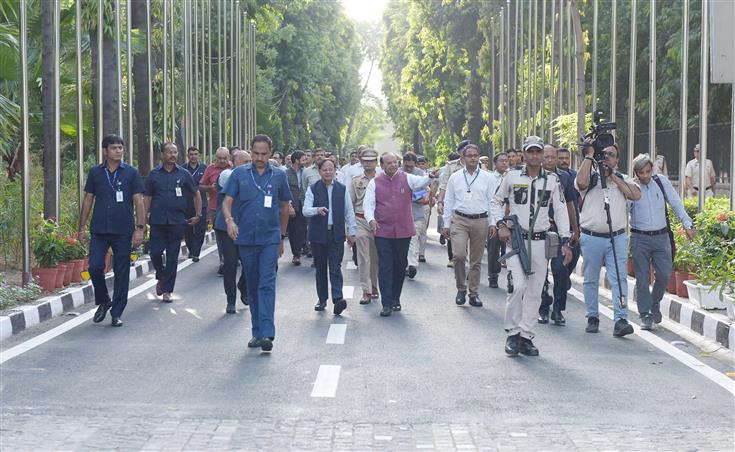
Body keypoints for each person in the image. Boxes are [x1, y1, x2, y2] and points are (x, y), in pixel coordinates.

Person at [491, 136, 573, 357]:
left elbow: (561, 210)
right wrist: (500, 225)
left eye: (539, 152)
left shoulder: (553, 180)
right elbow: (496, 201)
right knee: (518, 287)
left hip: (540, 240)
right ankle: (512, 333)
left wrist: (565, 240)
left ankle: (526, 336)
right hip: (517, 241)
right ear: (524, 154)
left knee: (536, 290)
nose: (535, 156)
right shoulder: (512, 176)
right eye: (531, 152)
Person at [222, 135, 292, 352]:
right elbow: (227, 202)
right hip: (246, 238)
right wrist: (230, 221)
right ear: (251, 152)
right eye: (256, 153)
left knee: (267, 283)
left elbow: (284, 207)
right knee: (252, 285)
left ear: (270, 153)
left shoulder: (279, 175)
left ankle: (267, 332)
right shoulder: (239, 174)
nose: (260, 158)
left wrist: (281, 236)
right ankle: (256, 332)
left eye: (264, 154)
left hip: (270, 238)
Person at [78, 134, 146, 327]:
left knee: (122, 271)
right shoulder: (96, 173)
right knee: (94, 266)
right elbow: (88, 199)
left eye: (121, 148)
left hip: (123, 229)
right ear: (105, 151)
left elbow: (139, 202)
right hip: (99, 229)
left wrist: (140, 229)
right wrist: (81, 227)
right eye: (114, 148)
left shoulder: (131, 173)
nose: (118, 151)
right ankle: (103, 300)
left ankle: (116, 312)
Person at [576, 143, 641, 337]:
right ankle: (592, 316)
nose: (606, 158)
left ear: (617, 160)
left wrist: (612, 177)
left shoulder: (622, 179)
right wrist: (589, 157)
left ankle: (621, 319)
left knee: (619, 278)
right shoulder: (591, 177)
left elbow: (636, 194)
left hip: (617, 237)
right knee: (590, 279)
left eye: (610, 155)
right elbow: (579, 183)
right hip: (591, 236)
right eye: (602, 155)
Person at [363, 152, 438, 317]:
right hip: (382, 231)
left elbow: (421, 182)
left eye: (395, 162)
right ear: (382, 166)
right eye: (389, 163)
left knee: (399, 265)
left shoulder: (407, 178)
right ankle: (387, 303)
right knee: (385, 266)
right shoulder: (374, 183)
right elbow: (368, 205)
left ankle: (396, 298)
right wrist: (371, 220)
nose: (393, 165)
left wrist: (430, 176)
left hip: (404, 230)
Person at [630, 153, 695, 329]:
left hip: (661, 237)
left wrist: (688, 224)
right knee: (642, 279)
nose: (645, 176)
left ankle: (654, 302)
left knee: (665, 274)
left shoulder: (661, 182)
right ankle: (645, 315)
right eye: (641, 172)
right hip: (639, 237)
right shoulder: (631, 187)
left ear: (652, 170)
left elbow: (676, 203)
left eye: (648, 171)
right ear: (635, 172)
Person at [145, 143, 201, 303]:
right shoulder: (154, 174)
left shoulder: (184, 174)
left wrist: (198, 214)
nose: (173, 155)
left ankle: (168, 290)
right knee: (155, 253)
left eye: (175, 152)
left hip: (177, 221)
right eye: (169, 152)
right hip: (157, 221)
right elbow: (147, 198)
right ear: (162, 154)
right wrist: (141, 222)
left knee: (172, 257)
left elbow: (196, 194)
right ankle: (161, 277)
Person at [442, 144, 495, 307]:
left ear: (479, 157)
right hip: (460, 220)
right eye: (469, 155)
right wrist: (446, 223)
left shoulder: (488, 177)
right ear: (463, 158)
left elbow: (492, 201)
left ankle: (473, 293)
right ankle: (460, 288)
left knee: (476, 260)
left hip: (480, 220)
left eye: (475, 155)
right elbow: (449, 200)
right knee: (458, 255)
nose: (473, 158)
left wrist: (493, 223)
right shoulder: (455, 177)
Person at [303, 159, 357, 314]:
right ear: (319, 171)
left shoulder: (341, 189)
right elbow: (306, 210)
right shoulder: (313, 189)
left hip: (336, 233)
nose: (328, 172)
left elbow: (349, 212)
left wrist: (352, 232)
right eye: (324, 169)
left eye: (330, 169)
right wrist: (317, 210)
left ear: (335, 171)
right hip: (318, 234)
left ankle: (338, 299)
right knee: (320, 268)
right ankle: (322, 299)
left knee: (335, 267)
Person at [537, 145, 581, 326]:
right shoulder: (534, 177)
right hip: (539, 231)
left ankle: (558, 309)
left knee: (560, 269)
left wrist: (575, 229)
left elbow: (570, 204)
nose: (549, 160)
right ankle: (542, 307)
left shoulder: (564, 178)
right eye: (545, 157)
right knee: (539, 271)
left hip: (560, 231)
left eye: (552, 157)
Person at [214, 150, 251, 313]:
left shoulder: (254, 177)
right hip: (226, 226)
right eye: (245, 162)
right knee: (230, 263)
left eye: (250, 161)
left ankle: (243, 285)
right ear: (234, 163)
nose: (249, 164)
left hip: (246, 227)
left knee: (249, 262)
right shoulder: (227, 175)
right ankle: (231, 300)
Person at [349, 149, 380, 304]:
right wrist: (349, 227)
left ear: (376, 162)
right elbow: (350, 204)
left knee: (375, 258)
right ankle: (366, 290)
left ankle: (375, 286)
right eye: (366, 160)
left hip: (378, 222)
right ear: (361, 162)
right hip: (360, 220)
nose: (369, 163)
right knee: (363, 257)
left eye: (372, 160)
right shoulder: (356, 181)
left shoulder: (382, 179)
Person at [200, 147, 232, 274]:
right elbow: (200, 186)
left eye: (225, 158)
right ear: (216, 158)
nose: (222, 161)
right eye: (220, 158)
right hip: (215, 208)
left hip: (233, 208)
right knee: (221, 237)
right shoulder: (210, 169)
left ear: (229, 157)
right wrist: (209, 187)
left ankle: (235, 257)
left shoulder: (234, 169)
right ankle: (223, 262)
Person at [437, 143, 468, 266]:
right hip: (454, 205)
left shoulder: (479, 165)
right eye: (464, 150)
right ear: (459, 152)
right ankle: (453, 258)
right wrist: (440, 202)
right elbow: (444, 186)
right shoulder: (451, 166)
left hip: (473, 206)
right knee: (452, 230)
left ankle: (467, 259)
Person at [403, 152, 429, 279]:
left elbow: (424, 193)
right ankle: (404, 264)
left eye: (410, 167)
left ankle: (412, 265)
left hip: (416, 213)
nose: (408, 169)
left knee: (413, 239)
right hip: (399, 215)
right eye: (406, 166)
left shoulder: (420, 174)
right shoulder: (396, 173)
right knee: (402, 242)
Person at [486, 152, 509, 288]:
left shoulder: (513, 177)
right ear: (495, 163)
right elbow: (489, 201)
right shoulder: (489, 179)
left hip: (510, 218)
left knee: (511, 250)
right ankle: (493, 275)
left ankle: (512, 278)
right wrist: (492, 222)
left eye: (506, 161)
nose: (505, 163)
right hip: (494, 217)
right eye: (501, 161)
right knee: (494, 248)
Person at [183, 146, 208, 262]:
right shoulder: (182, 169)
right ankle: (191, 250)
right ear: (188, 156)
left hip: (201, 203)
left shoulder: (204, 168)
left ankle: (196, 253)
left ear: (199, 155)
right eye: (191, 154)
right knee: (187, 229)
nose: (193, 156)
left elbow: (209, 184)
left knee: (200, 229)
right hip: (186, 204)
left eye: (195, 154)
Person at [286, 150, 308, 266]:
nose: (305, 161)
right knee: (293, 231)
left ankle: (301, 249)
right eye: (303, 159)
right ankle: (296, 254)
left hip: (304, 205)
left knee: (302, 230)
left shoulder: (306, 172)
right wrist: (289, 205)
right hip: (292, 205)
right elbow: (285, 191)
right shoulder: (286, 173)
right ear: (296, 160)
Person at [416, 155, 437, 263]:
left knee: (423, 230)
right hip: (412, 205)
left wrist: (432, 199)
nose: (421, 165)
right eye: (418, 163)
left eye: (423, 163)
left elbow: (432, 190)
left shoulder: (431, 176)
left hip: (425, 206)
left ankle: (421, 254)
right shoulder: (412, 176)